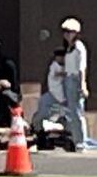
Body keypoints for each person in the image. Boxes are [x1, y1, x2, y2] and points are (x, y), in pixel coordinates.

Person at [38, 17, 89, 151]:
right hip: (67, 80)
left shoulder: (79, 47)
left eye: (70, 32)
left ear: (76, 33)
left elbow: (81, 68)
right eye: (65, 32)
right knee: (70, 112)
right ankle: (74, 140)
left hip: (75, 80)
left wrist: (83, 84)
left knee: (76, 112)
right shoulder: (68, 49)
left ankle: (81, 142)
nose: (67, 35)